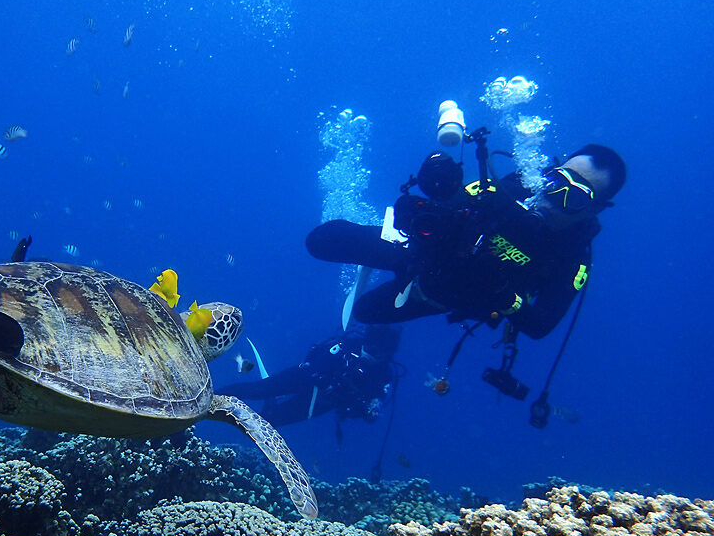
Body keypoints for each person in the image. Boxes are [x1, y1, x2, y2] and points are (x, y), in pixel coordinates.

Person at [306, 145, 627, 340]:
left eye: (576, 197)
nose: (555, 197)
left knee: (365, 312)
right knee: (321, 241)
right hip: (419, 252)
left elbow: (540, 325)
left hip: (440, 296)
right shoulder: (518, 186)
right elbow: (459, 199)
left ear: (595, 209)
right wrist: (439, 191)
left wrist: (500, 292)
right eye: (557, 181)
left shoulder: (574, 259)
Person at [221, 324, 401, 445]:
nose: (371, 356)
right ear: (364, 343)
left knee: (267, 423)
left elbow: (368, 412)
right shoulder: (350, 346)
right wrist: (327, 380)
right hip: (303, 377)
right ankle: (210, 396)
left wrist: (360, 406)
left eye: (379, 354)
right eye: (369, 349)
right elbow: (317, 366)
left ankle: (229, 431)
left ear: (388, 355)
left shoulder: (384, 376)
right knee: (255, 390)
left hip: (320, 403)